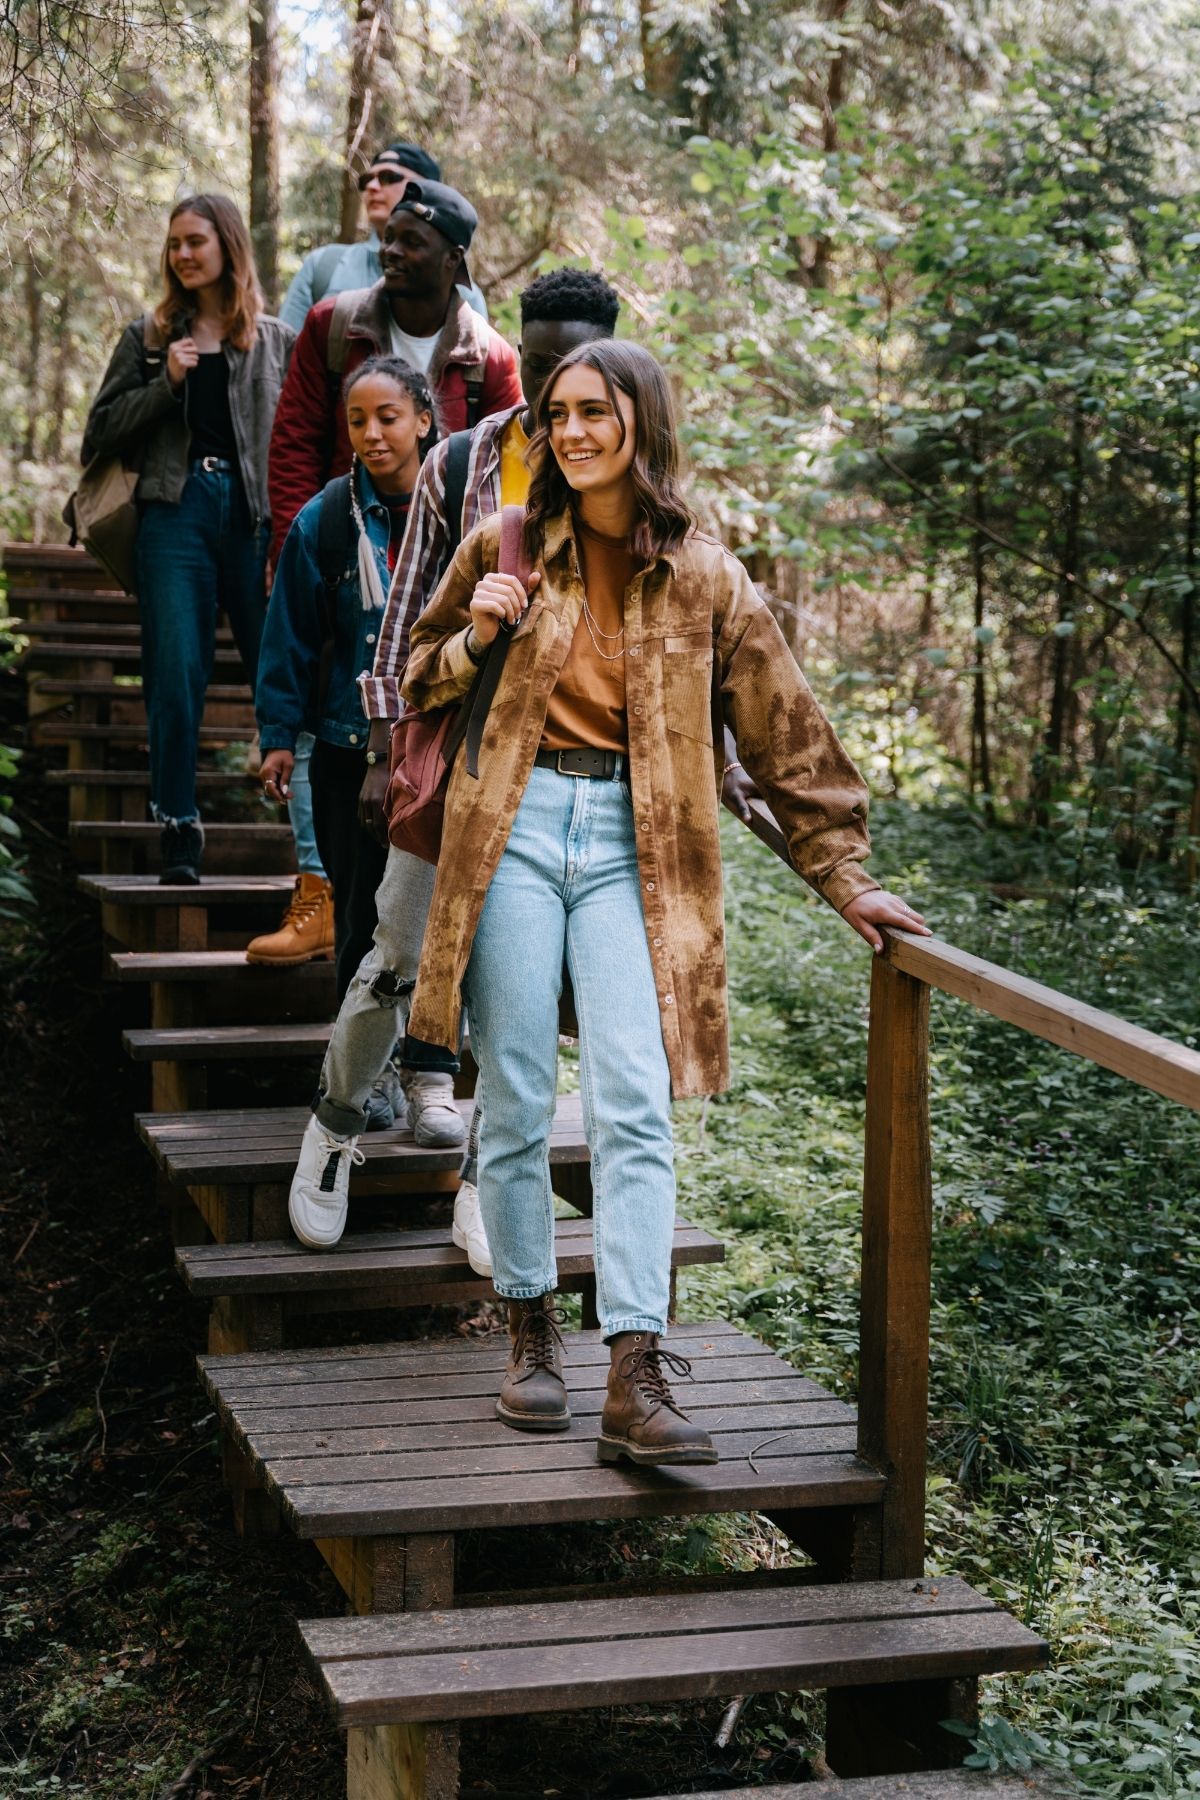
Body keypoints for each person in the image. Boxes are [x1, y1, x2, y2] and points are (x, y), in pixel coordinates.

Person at [397, 340, 931, 1467]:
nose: (573, 432)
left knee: (634, 1102)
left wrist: (848, 876)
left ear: (642, 420)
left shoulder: (706, 577)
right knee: (517, 1097)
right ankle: (530, 1336)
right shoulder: (507, 544)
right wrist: (477, 634)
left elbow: (788, 738)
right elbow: (415, 673)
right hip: (512, 829)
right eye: (557, 414)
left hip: (640, 847)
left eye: (596, 411)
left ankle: (634, 1369)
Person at [285, 268, 624, 1267]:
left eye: (578, 364)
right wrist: (384, 750)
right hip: (454, 751)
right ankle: (333, 1130)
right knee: (395, 959)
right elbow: (404, 621)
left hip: (562, 774)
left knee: (523, 993)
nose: (556, 386)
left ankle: (487, 1179)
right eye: (542, 361)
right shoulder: (466, 459)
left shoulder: (625, 474)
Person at [82, 195, 293, 883]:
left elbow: (298, 443)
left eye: (195, 241)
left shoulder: (276, 341)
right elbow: (99, 432)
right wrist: (166, 384)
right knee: (175, 669)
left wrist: (288, 533)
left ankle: (309, 834)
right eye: (174, 243)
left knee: (279, 669)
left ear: (228, 246)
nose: (182, 255)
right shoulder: (146, 338)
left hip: (254, 521)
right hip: (174, 515)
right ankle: (178, 827)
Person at [254, 356, 435, 1001]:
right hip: (347, 750)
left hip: (439, 748)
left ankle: (427, 1053)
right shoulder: (326, 519)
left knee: (436, 921)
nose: (371, 434)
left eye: (388, 417)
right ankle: (357, 1057)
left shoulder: (459, 510)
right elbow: (289, 635)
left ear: (423, 419)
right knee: (359, 917)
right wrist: (279, 736)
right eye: (357, 421)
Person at [267, 177, 522, 568]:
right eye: (389, 238)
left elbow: (506, 474)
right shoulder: (331, 326)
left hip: (446, 563)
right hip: (341, 551)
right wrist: (297, 554)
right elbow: (294, 445)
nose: (390, 251)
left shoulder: (490, 356)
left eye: (412, 242)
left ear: (452, 259)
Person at [279, 141, 487, 331]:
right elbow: (286, 349)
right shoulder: (323, 264)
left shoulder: (465, 297)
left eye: (388, 177)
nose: (372, 187)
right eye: (366, 180)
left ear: (427, 187)